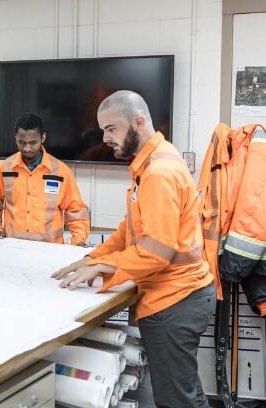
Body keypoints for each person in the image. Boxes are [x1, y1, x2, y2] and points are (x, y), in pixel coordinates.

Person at [52, 90, 215, 408]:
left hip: (175, 299)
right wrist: (92, 257)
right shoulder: (150, 163)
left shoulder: (159, 173)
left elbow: (157, 251)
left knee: (176, 399)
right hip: (180, 294)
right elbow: (129, 232)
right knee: (186, 392)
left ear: (138, 122)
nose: (105, 138)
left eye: (111, 129)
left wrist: (106, 267)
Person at [0, 112, 90, 245]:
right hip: (12, 248)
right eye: (22, 142)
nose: (27, 148)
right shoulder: (4, 169)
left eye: (33, 143)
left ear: (43, 138)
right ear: (15, 138)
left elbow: (76, 211)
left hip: (50, 250)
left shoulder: (61, 172)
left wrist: (78, 240)